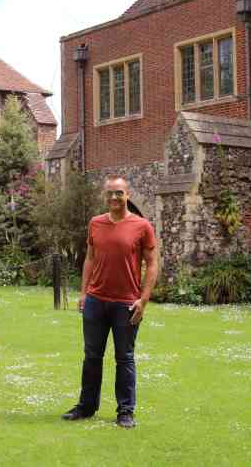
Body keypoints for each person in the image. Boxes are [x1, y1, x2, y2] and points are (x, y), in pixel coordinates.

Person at [62, 175, 159, 428]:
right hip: (95, 301)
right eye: (109, 193)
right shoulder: (95, 223)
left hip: (126, 304)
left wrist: (143, 300)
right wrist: (83, 293)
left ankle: (125, 411)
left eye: (118, 193)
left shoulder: (142, 226)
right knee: (91, 356)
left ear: (127, 195)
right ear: (104, 196)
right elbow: (90, 259)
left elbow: (152, 264)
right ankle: (86, 407)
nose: (113, 198)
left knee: (124, 358)